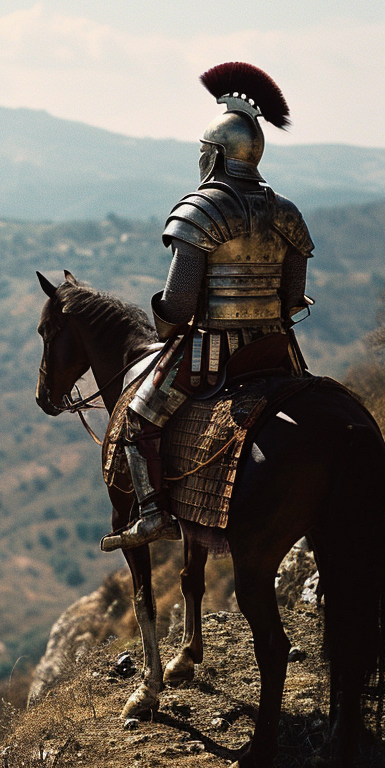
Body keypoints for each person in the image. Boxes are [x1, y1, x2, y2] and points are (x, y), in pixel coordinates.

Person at [102, 62, 314, 553]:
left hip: (212, 350)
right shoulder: (287, 212)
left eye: (203, 150)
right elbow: (291, 298)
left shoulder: (202, 208)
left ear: (215, 154)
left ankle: (153, 514)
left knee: (137, 419)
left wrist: (164, 319)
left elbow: (178, 305)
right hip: (276, 349)